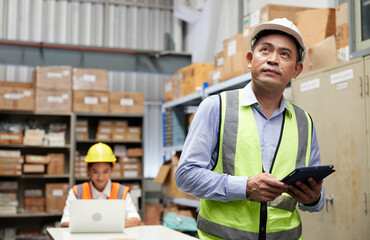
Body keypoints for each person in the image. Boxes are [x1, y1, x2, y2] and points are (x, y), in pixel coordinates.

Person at [175, 18, 325, 240]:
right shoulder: (216, 107)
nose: (273, 59)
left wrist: (314, 199)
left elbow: (316, 198)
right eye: (265, 50)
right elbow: (186, 175)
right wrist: (244, 187)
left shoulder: (304, 122)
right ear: (250, 59)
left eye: (285, 54)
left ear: (297, 70)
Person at [60, 142, 141, 228]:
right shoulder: (77, 192)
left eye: (105, 171)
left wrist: (110, 225)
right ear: (88, 169)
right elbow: (65, 222)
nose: (100, 177)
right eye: (95, 172)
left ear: (112, 169)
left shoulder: (121, 192)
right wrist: (97, 226)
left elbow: (135, 220)